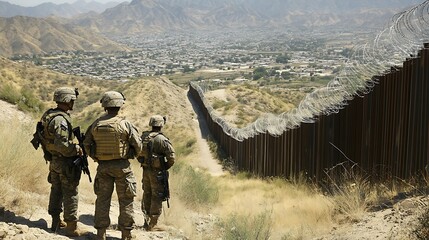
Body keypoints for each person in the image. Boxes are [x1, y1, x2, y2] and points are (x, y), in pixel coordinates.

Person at [83, 91, 141, 240]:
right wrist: (131, 155)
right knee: (126, 200)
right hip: (122, 167)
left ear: (105, 106)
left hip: (103, 167)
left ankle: (101, 234)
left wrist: (96, 157)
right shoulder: (125, 124)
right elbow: (138, 145)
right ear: (120, 105)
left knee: (102, 200)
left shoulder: (96, 124)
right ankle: (126, 234)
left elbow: (87, 144)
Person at [34, 87, 84, 236]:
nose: (73, 103)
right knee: (70, 192)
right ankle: (71, 227)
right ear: (67, 100)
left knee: (56, 190)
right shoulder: (61, 119)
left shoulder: (49, 115)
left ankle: (55, 222)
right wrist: (76, 149)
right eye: (72, 100)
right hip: (64, 162)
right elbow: (62, 145)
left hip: (54, 160)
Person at [139, 115, 175, 231]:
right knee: (157, 196)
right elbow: (171, 158)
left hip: (145, 171)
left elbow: (137, 152)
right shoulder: (162, 140)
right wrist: (164, 167)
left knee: (147, 194)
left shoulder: (144, 137)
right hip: (157, 173)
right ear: (161, 125)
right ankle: (153, 224)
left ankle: (146, 221)